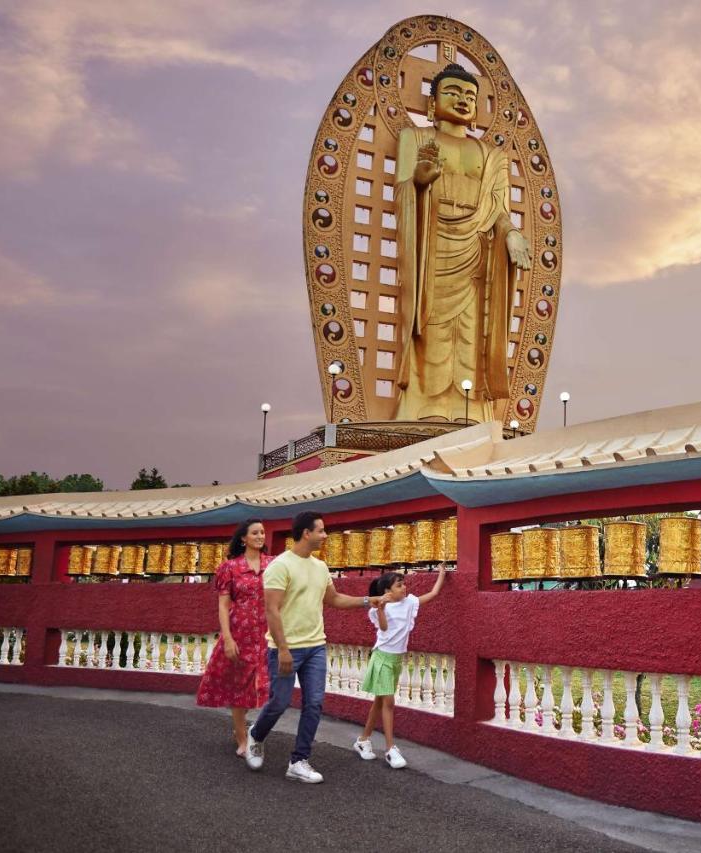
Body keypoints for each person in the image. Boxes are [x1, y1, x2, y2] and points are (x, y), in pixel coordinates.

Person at [392, 62, 533, 422]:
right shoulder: (416, 139)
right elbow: (405, 187)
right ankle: (426, 408)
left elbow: (499, 209)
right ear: (431, 101)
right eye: (452, 92)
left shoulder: (492, 156)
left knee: (471, 330)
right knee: (432, 326)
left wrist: (513, 232)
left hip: (476, 247)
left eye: (469, 95)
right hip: (432, 244)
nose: (462, 100)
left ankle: (468, 410)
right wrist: (421, 181)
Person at [245, 511, 385, 783]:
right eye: (320, 530)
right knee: (279, 703)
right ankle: (256, 734)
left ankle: (299, 761)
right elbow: (272, 611)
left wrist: (368, 601)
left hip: (315, 647)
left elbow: (333, 599)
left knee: (314, 704)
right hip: (285, 648)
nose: (325, 535)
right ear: (306, 533)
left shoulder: (320, 567)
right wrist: (283, 649)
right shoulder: (280, 566)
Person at [352, 567, 447, 768]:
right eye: (399, 585)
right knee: (388, 703)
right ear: (388, 590)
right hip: (382, 659)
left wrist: (441, 575)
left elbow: (433, 594)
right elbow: (384, 628)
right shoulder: (377, 609)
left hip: (396, 660)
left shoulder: (410, 602)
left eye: (404, 584)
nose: (404, 588)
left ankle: (362, 741)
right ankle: (390, 749)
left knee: (379, 701)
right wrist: (381, 608)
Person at [195, 519, 270, 756]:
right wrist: (227, 638)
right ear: (243, 538)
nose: (260, 536)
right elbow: (224, 605)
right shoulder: (230, 567)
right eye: (255, 533)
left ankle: (246, 726)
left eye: (262, 532)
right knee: (240, 687)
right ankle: (241, 736)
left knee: (265, 687)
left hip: (267, 635)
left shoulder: (274, 564)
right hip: (240, 634)